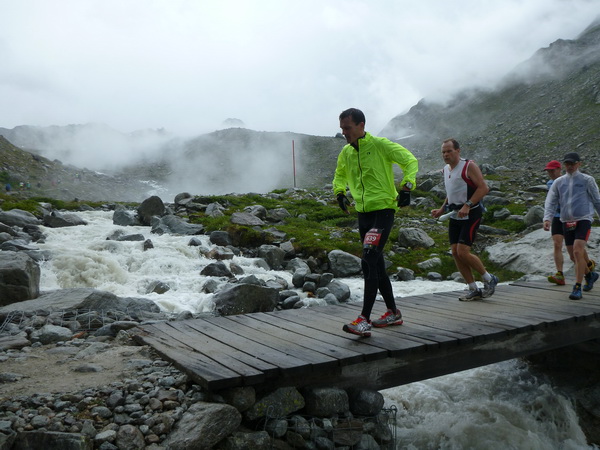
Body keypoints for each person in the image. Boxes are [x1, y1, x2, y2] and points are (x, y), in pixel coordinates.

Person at [333, 108, 418, 337]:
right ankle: (393, 312)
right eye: (342, 128)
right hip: (363, 213)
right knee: (376, 264)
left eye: (347, 128)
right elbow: (340, 174)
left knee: (368, 259)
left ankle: (364, 319)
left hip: (383, 210)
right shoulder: (346, 152)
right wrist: (339, 192)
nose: (344, 132)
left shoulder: (380, 145)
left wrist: (407, 185)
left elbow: (410, 161)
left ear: (361, 125)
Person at [431, 138, 499, 301]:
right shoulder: (446, 169)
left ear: (458, 151)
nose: (446, 155)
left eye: (449, 151)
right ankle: (473, 288)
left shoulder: (468, 166)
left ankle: (489, 278)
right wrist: (442, 209)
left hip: (471, 213)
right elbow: (452, 191)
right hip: (455, 214)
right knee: (455, 252)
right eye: (443, 152)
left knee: (463, 251)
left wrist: (468, 204)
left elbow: (484, 187)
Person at [543, 152, 600, 300]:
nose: (570, 166)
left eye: (572, 164)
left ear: (579, 164)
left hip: (583, 219)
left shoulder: (587, 180)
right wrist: (547, 218)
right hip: (566, 221)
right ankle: (590, 275)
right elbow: (551, 201)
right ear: (564, 165)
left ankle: (577, 287)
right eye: (567, 164)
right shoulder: (559, 182)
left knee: (577, 251)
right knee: (573, 255)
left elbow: (596, 200)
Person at [543, 160, 567, 285]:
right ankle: (560, 274)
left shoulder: (568, 181)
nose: (551, 173)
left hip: (569, 217)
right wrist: (548, 218)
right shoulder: (550, 183)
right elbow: (551, 201)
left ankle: (588, 267)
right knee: (557, 244)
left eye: (552, 171)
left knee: (574, 247)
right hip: (557, 217)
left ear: (559, 169)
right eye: (548, 171)